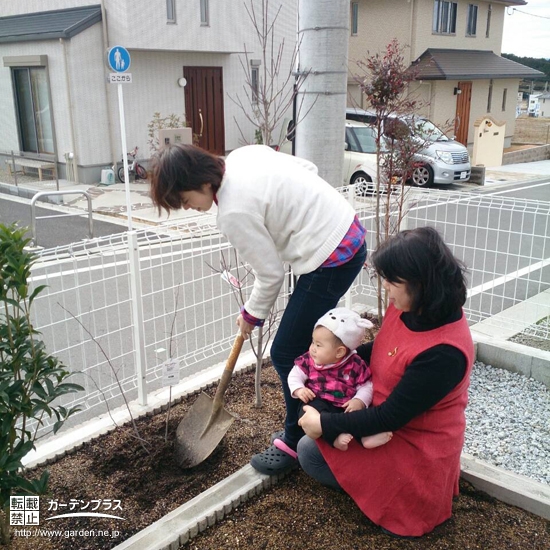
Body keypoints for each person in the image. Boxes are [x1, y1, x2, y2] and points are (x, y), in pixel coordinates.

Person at [149, 143, 367, 474]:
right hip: (345, 229)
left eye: (183, 199)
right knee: (310, 343)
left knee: (286, 354)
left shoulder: (234, 211)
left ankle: (296, 441)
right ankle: (324, 408)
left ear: (201, 181)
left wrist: (251, 313)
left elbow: (270, 274)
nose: (188, 208)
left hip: (332, 256)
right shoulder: (242, 157)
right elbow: (307, 168)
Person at [297, 226, 474, 538]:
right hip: (385, 421)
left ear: (423, 283)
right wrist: (334, 362)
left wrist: (324, 424)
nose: (386, 289)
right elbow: (381, 351)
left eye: (393, 281)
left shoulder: (444, 354)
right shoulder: (413, 306)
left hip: (413, 443)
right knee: (313, 438)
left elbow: (392, 416)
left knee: (309, 452)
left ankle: (403, 501)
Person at [283, 307, 392, 454]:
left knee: (355, 416)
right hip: (317, 400)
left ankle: (365, 437)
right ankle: (335, 438)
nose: (313, 348)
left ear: (339, 351)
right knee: (307, 412)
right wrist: (299, 389)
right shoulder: (309, 360)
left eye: (318, 345)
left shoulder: (355, 364)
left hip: (345, 403)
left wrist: (359, 400)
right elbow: (295, 374)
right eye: (313, 342)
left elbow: (366, 385)